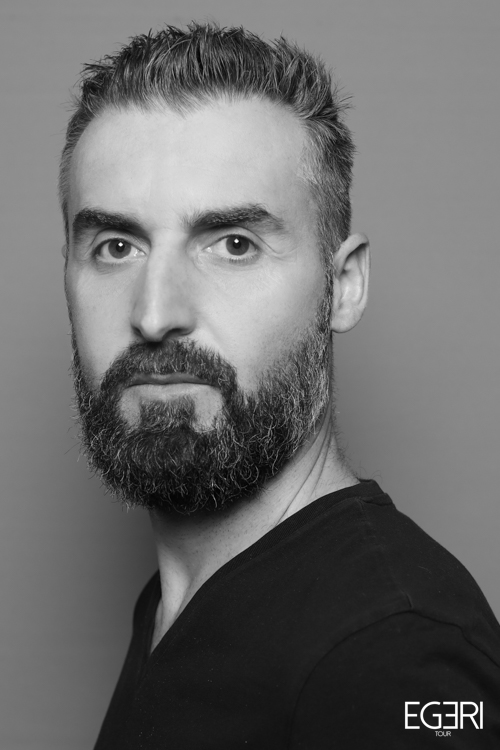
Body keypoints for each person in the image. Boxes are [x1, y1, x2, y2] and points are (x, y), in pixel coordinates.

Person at [60, 22, 500, 749]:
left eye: (234, 245)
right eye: (116, 246)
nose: (154, 314)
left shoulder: (393, 660)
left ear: (343, 285)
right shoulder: (181, 601)